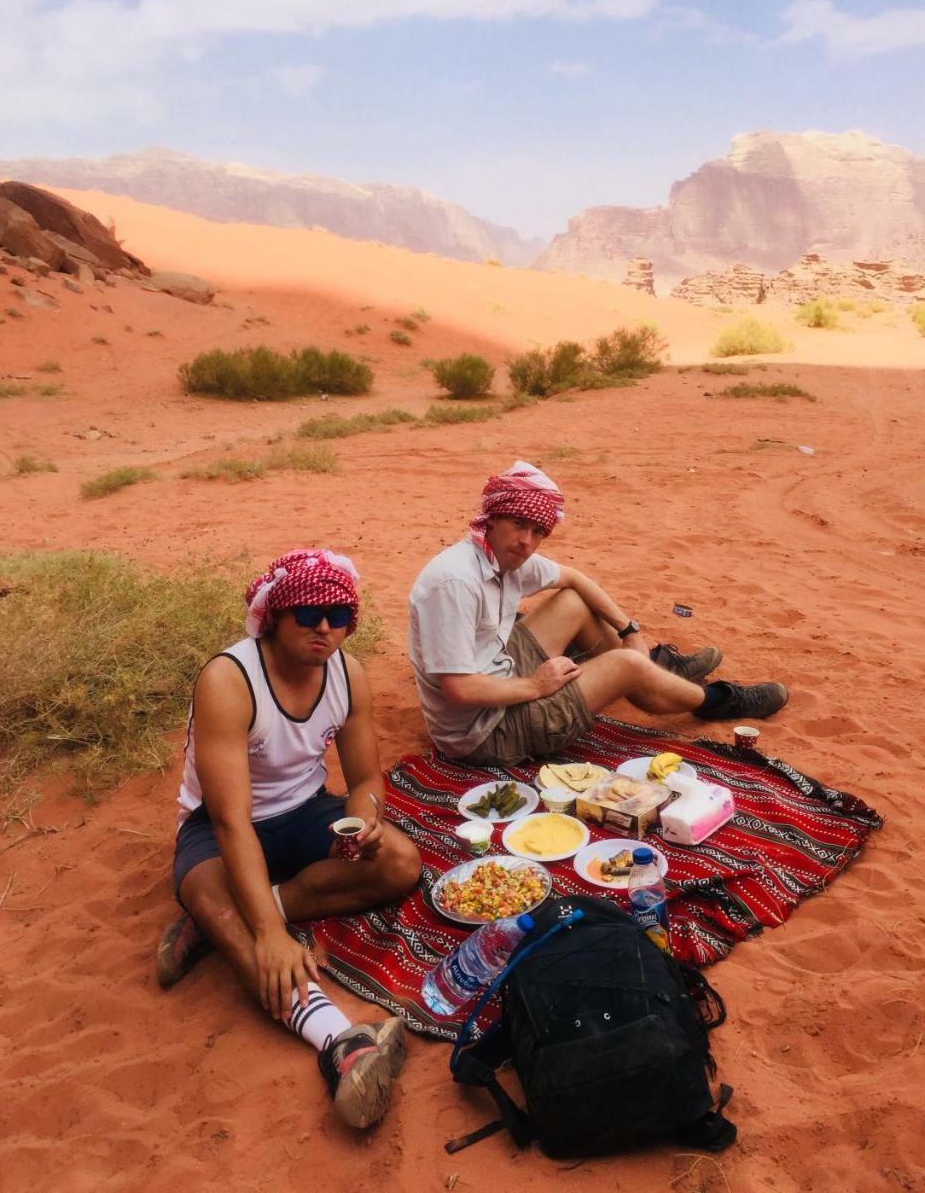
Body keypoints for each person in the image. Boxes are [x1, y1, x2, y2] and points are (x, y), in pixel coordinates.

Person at [156, 549, 422, 1129]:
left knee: (399, 862)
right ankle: (343, 1044)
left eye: (339, 614)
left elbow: (365, 780)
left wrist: (364, 822)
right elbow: (230, 820)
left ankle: (226, 915)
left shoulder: (348, 673)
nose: (324, 626)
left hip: (306, 810)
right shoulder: (230, 679)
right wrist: (272, 934)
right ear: (274, 615)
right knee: (242, 929)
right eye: (307, 612)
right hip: (219, 827)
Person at [408, 461, 788, 767]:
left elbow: (575, 578)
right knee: (627, 666)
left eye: (538, 531)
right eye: (518, 525)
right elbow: (459, 690)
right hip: (486, 733)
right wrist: (536, 687)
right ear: (492, 519)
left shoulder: (501, 557)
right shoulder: (455, 581)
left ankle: (651, 669)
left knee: (573, 602)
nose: (527, 541)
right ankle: (715, 701)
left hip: (500, 669)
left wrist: (630, 631)